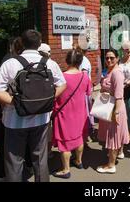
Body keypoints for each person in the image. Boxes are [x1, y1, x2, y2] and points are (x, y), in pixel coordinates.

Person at [0, 30, 67, 182]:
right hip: (41, 120)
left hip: (14, 121)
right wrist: (47, 100)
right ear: (39, 44)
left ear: (22, 43)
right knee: (40, 160)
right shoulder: (49, 63)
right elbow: (63, 85)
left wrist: (17, 103)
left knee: (14, 162)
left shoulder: (10, 63)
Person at [52, 49, 92, 179]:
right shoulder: (85, 76)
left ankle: (66, 169)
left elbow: (55, 96)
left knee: (64, 142)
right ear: (80, 61)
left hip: (64, 114)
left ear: (67, 61)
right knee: (79, 137)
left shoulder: (61, 77)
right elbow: (88, 93)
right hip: (80, 113)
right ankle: (79, 161)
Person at [0, 37, 24, 182]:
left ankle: (2, 174)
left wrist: (13, 102)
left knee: (8, 149)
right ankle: (28, 166)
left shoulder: (8, 61)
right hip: (34, 112)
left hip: (11, 112)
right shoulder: (39, 62)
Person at [96, 49, 129, 174]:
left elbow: (119, 95)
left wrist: (115, 112)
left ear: (117, 58)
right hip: (110, 107)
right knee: (114, 135)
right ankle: (117, 154)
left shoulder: (117, 73)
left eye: (112, 58)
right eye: (107, 58)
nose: (109, 60)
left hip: (115, 108)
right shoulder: (111, 71)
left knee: (113, 137)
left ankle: (110, 165)